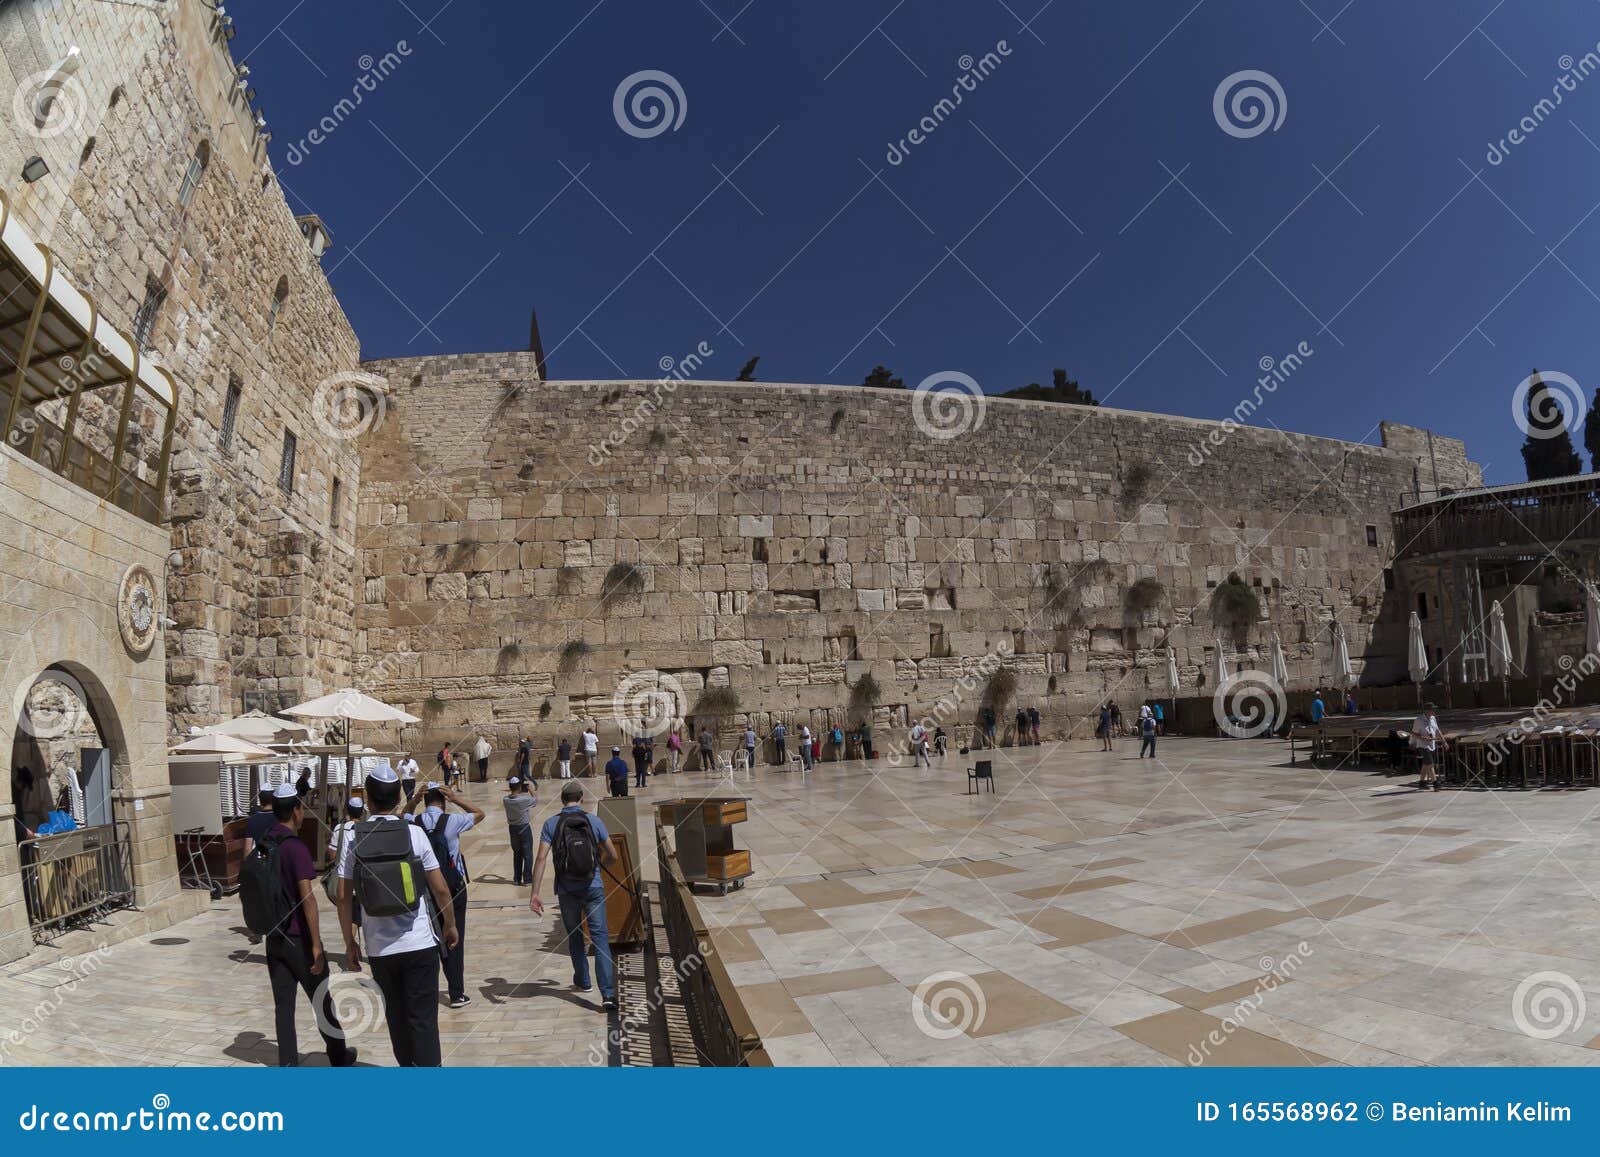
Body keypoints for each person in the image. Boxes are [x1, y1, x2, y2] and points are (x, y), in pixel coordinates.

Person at [337, 766, 458, 1067]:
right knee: (423, 1020)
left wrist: (350, 942)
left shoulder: (352, 838)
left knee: (396, 1017)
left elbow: (342, 896)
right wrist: (451, 924)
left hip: (380, 949)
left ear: (366, 798)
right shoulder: (415, 833)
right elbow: (441, 889)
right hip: (419, 944)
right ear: (398, 797)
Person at [255, 783, 355, 1068]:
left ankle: (287, 1062)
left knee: (283, 1005)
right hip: (298, 937)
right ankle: (339, 1056)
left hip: (274, 936)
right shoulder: (294, 847)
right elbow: (307, 899)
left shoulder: (265, 841)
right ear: (297, 810)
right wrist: (316, 944)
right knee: (321, 1000)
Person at [530, 781, 618, 1010]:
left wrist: (535, 893)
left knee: (575, 935)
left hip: (567, 890)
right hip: (593, 887)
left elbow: (541, 859)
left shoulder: (551, 824)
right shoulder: (593, 821)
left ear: (562, 800)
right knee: (600, 939)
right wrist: (599, 868)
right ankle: (608, 994)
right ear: (581, 798)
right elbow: (613, 855)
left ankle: (583, 980)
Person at [410, 784, 483, 1009]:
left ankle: (427, 991)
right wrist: (455, 798)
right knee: (455, 936)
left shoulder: (415, 823)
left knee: (430, 937)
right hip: (453, 887)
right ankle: (456, 993)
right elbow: (480, 813)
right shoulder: (452, 821)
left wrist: (413, 801)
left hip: (427, 889)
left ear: (424, 801)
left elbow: (399, 816)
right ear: (443, 801)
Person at [504, 777, 537, 887]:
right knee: (527, 854)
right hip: (524, 828)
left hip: (512, 829)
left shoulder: (505, 800)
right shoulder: (524, 799)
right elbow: (535, 801)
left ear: (510, 787)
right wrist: (531, 790)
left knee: (517, 853)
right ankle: (527, 879)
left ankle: (517, 879)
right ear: (519, 787)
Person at [1411, 705, 1446, 792]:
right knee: (1430, 764)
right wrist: (1423, 737)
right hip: (1423, 745)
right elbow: (1414, 733)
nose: (1434, 711)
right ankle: (1435, 783)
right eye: (1433, 709)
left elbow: (1437, 730)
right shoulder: (1418, 720)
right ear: (1427, 710)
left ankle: (1422, 782)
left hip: (1432, 744)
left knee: (1426, 764)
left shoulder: (1433, 718)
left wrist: (1444, 741)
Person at [243, 786, 278, 856]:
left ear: (260, 799)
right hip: (277, 860)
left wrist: (247, 864)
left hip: (260, 859)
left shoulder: (252, 820)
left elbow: (247, 849)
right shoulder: (279, 818)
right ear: (274, 799)